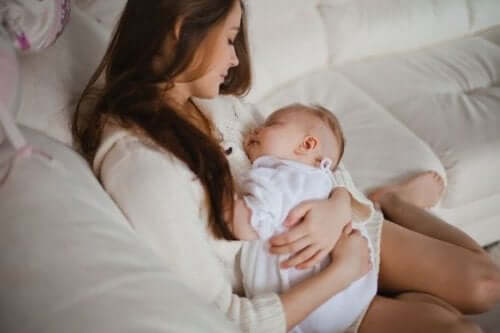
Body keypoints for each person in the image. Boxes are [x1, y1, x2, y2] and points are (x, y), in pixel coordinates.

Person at [72, 1, 500, 332]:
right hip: (317, 293)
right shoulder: (144, 168)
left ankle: (393, 200)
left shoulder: (217, 106)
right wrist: (344, 271)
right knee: (455, 327)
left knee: (487, 286)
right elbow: (228, 318)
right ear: (184, 31)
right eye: (230, 39)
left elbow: (315, 162)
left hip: (350, 231)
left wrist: (338, 206)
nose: (235, 59)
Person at [230, 103, 378, 333]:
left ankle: (394, 202)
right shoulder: (320, 180)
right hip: (354, 294)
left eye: (271, 125)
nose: (255, 130)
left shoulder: (281, 175)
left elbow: (245, 224)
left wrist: (217, 192)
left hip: (307, 310)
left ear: (307, 144)